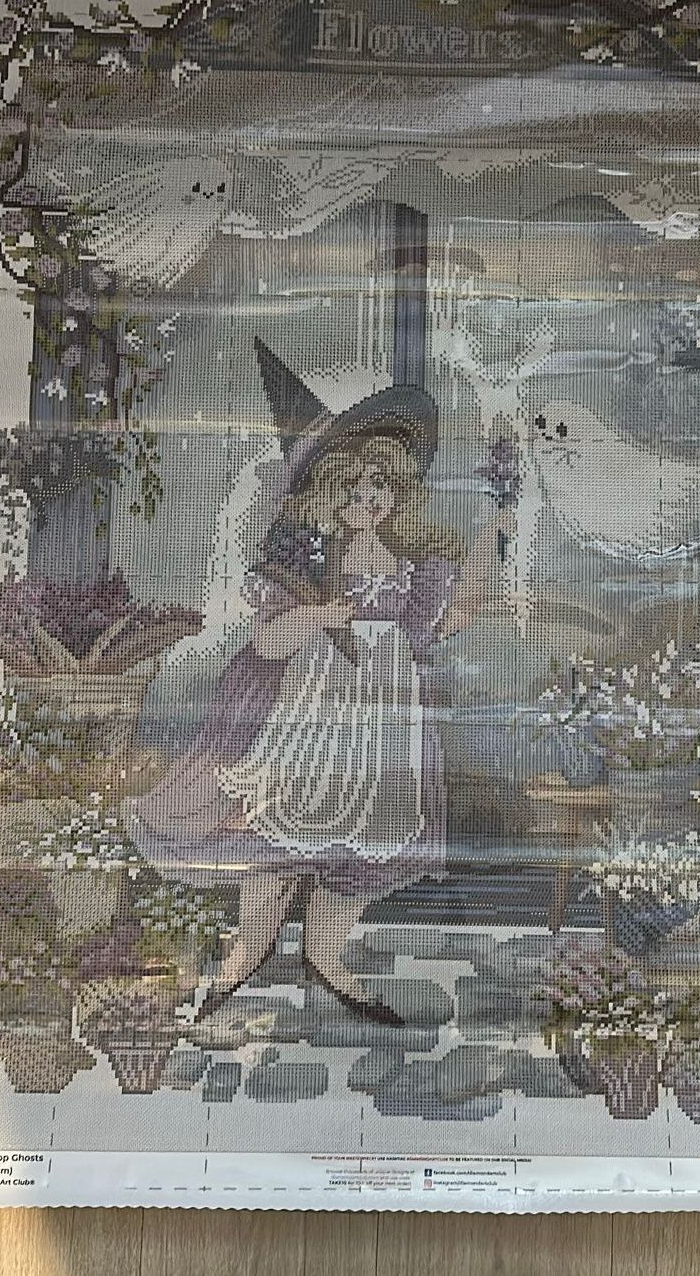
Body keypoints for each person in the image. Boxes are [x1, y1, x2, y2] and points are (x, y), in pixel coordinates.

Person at [128, 341, 510, 1024]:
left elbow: (446, 622)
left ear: (397, 491)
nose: (368, 498)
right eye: (353, 485)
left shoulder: (409, 562)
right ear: (328, 489)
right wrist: (316, 615)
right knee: (279, 840)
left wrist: (491, 539)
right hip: (308, 713)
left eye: (380, 486)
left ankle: (326, 954)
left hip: (382, 722)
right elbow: (267, 641)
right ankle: (243, 955)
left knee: (364, 845)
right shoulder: (300, 557)